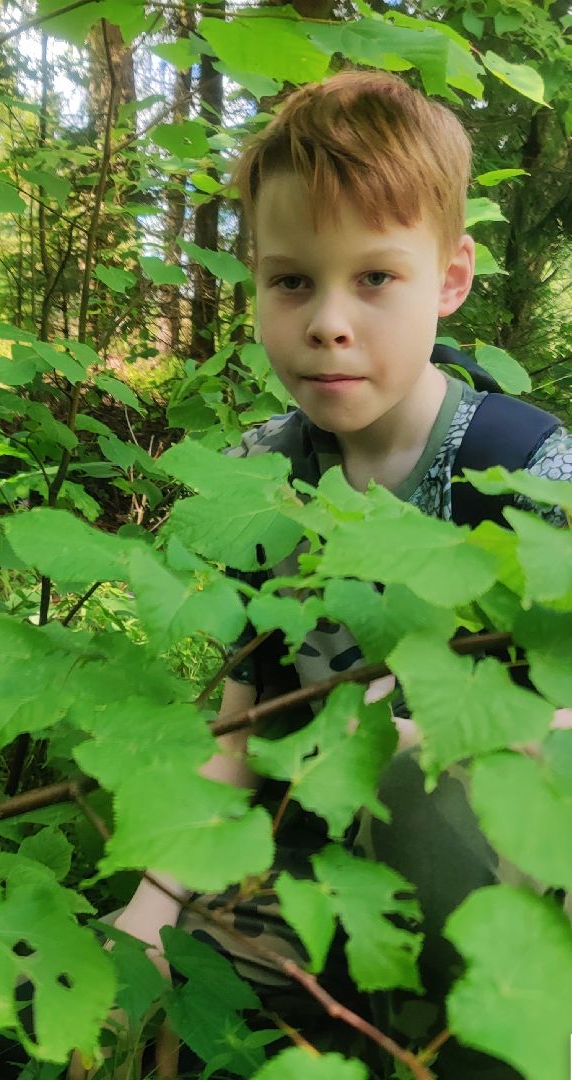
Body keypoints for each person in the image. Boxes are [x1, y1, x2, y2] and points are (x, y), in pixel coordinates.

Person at [80, 70, 572, 1079]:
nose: (327, 323)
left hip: (504, 876)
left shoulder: (528, 472)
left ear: (449, 279)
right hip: (312, 868)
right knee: (137, 999)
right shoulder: (263, 479)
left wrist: (409, 737)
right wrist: (150, 909)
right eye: (292, 281)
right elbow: (241, 729)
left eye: (375, 278)